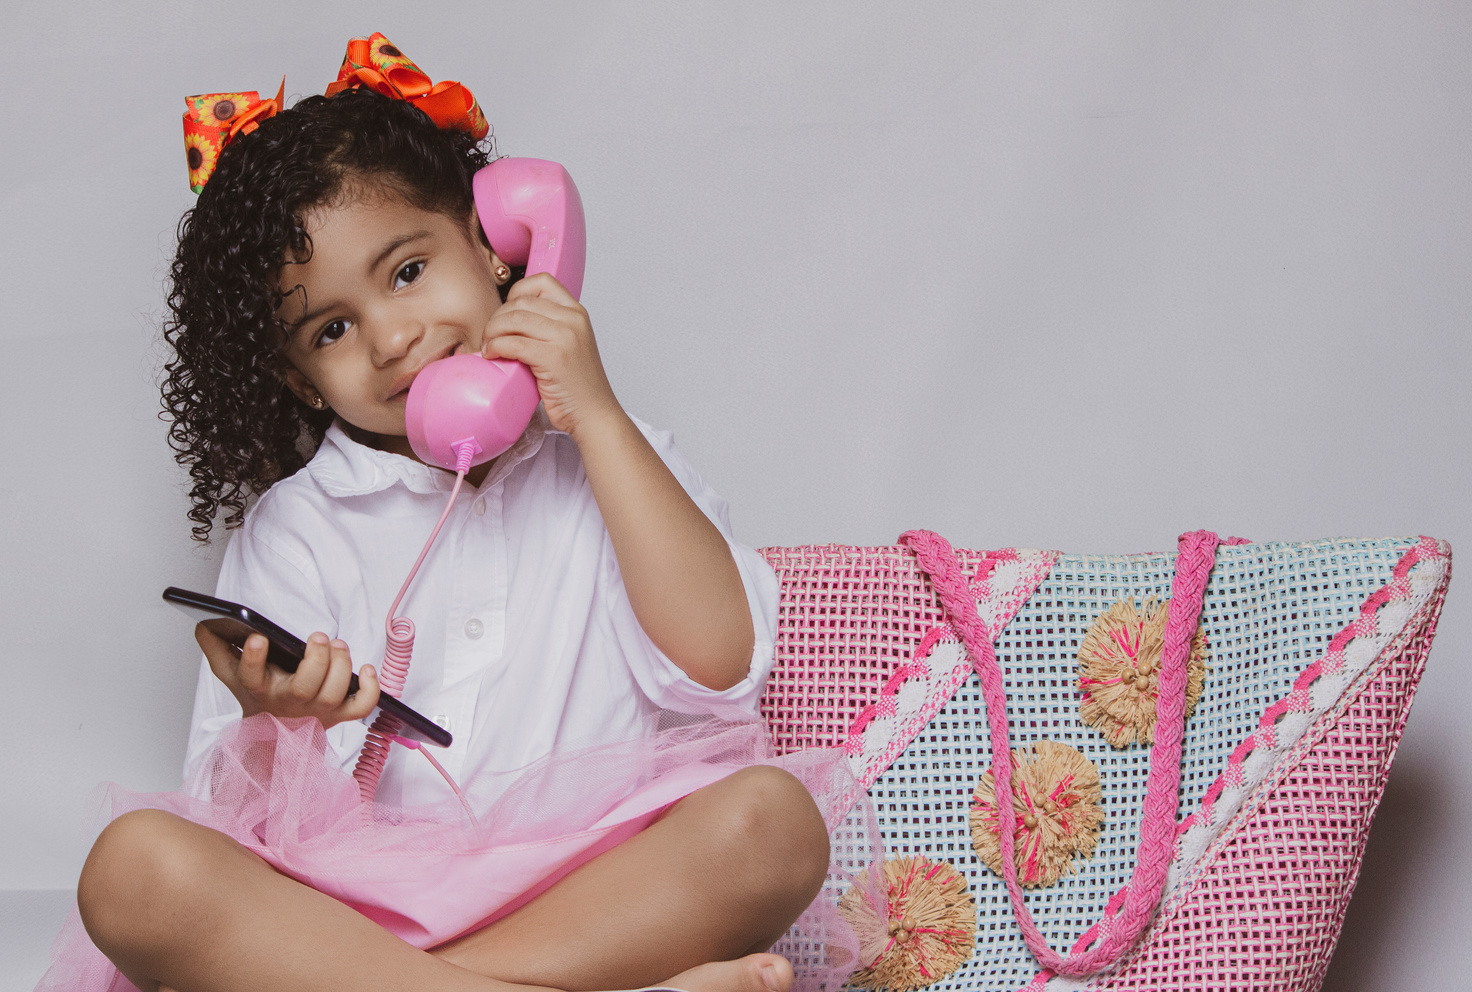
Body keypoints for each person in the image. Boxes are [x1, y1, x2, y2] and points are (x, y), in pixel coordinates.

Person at [38, 35, 877, 992]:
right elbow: (241, 825)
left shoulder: (610, 456)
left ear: (493, 247)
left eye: (406, 272)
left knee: (772, 822)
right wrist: (280, 725)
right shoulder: (296, 528)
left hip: (592, 897)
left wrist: (596, 417)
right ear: (300, 379)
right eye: (333, 329)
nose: (394, 340)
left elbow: (724, 662)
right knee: (136, 869)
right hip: (352, 923)